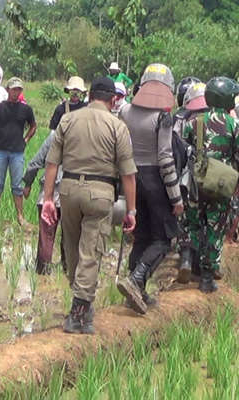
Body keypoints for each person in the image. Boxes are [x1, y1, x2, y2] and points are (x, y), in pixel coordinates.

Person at [42, 77, 137, 334]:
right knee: (92, 250)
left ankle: (80, 298)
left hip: (69, 190)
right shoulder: (117, 126)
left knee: (72, 247)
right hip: (100, 193)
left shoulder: (67, 120)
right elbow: (128, 174)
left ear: (89, 95)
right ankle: (79, 310)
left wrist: (48, 199)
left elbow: (52, 164)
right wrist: (131, 210)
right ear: (113, 100)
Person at [118, 63, 182, 314]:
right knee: (164, 238)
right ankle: (136, 279)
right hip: (155, 180)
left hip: (130, 178)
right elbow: (166, 159)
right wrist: (176, 197)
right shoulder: (163, 119)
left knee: (142, 235)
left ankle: (136, 289)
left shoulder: (124, 111)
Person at [181, 77, 239, 293]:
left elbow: (181, 148)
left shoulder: (194, 122)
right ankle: (206, 278)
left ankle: (186, 259)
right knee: (215, 228)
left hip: (196, 182)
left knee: (192, 222)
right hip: (221, 186)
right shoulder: (235, 125)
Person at [0, 77, 37, 225]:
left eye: (19, 89)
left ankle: (20, 216)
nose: (16, 92)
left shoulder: (26, 109)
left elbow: (33, 126)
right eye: (14, 89)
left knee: (17, 185)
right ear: (7, 90)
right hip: (0, 151)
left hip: (17, 152)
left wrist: (25, 140)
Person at [175, 82, 209, 282]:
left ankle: (186, 259)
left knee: (190, 221)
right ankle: (202, 267)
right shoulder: (222, 122)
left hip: (190, 179)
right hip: (215, 179)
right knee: (208, 221)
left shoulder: (186, 123)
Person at [23, 131, 66, 274]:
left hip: (49, 193)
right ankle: (67, 270)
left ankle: (42, 272)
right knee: (70, 236)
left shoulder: (54, 136)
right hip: (73, 193)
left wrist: (28, 183)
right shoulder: (85, 135)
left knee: (46, 237)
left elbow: (35, 163)